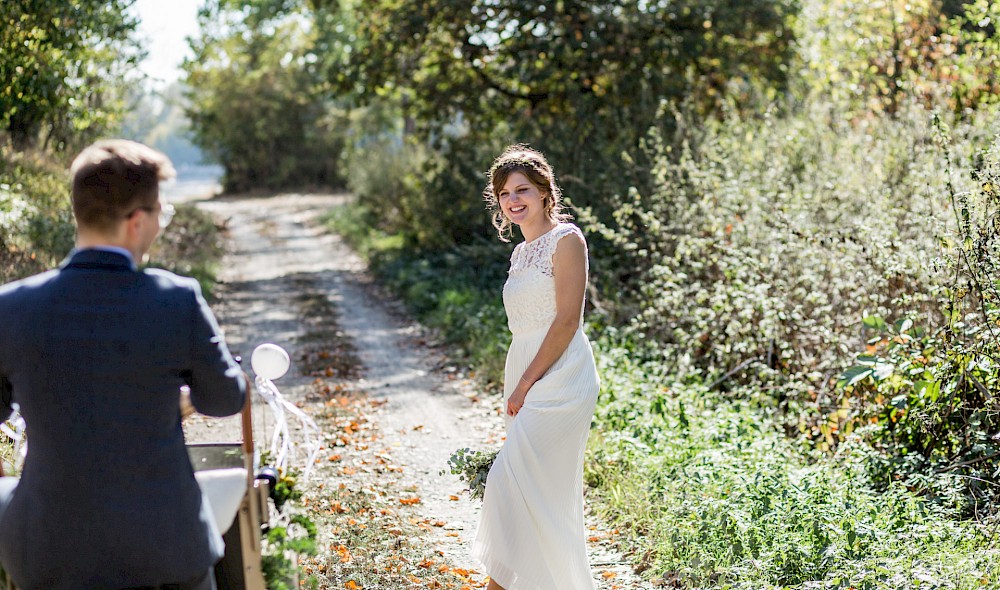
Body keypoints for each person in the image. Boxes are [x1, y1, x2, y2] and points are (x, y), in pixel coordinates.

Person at [0, 139, 247, 590]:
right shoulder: (176, 299)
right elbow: (226, 397)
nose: (160, 224)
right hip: (164, 552)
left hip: (48, 555)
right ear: (137, 221)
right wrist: (180, 401)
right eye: (160, 213)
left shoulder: (10, 307)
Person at [472, 145, 600, 589]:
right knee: (531, 492)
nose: (514, 199)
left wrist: (526, 383)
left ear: (545, 192)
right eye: (505, 193)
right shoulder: (521, 252)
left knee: (512, 482)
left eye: (522, 189)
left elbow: (567, 320)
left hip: (561, 376)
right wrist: (520, 378)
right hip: (524, 366)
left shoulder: (567, 240)